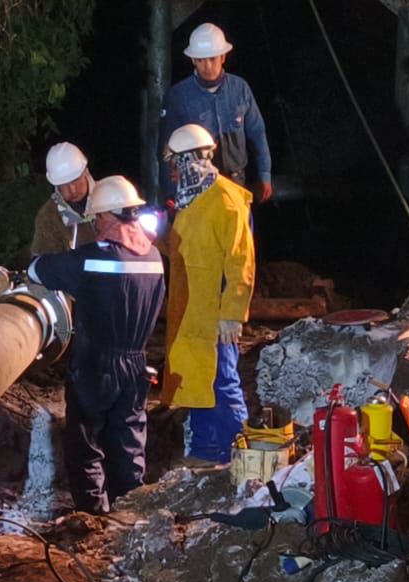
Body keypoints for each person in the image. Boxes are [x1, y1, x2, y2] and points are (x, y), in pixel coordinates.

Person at [27, 176, 166, 514]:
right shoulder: (155, 257)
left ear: (108, 216)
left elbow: (37, 268)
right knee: (129, 445)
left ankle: (93, 519)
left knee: (85, 444)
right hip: (136, 365)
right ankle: (129, 517)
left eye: (97, 218)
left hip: (95, 366)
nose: (95, 224)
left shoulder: (90, 259)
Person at [160, 124, 255, 466]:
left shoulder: (226, 200)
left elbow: (241, 260)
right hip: (191, 309)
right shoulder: (193, 199)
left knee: (223, 382)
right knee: (199, 382)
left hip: (215, 313)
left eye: (175, 163)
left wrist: (233, 312)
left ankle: (240, 453)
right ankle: (204, 450)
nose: (173, 171)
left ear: (190, 160)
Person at [160, 22, 273, 204]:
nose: (207, 65)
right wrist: (170, 193)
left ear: (223, 57)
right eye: (201, 60)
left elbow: (257, 133)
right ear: (193, 60)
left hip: (236, 183)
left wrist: (264, 174)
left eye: (212, 58)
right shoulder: (178, 96)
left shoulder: (240, 89)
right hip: (196, 189)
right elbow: (166, 149)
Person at [32, 142, 98, 256]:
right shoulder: (48, 216)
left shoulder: (113, 199)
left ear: (85, 171)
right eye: (64, 184)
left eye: (75, 180)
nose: (72, 190)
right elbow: (44, 263)